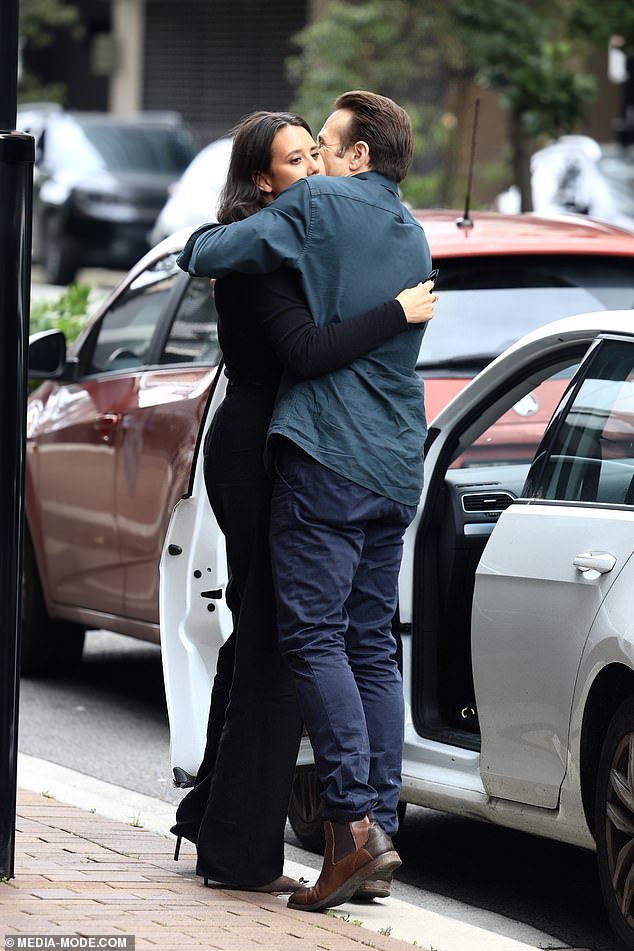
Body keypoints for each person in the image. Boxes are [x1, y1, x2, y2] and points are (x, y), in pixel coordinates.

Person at [172, 109, 437, 897]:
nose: (315, 161)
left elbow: (202, 252)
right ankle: (366, 829)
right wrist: (394, 311)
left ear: (357, 153)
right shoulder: (412, 232)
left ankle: (352, 828)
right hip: (389, 461)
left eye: (320, 146)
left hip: (323, 455)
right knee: (362, 645)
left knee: (304, 641)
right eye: (299, 154)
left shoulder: (316, 211)